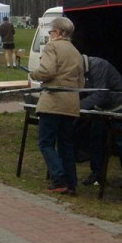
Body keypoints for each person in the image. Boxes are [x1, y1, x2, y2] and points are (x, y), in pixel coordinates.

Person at [29, 16, 85, 194]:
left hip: (53, 102)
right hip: (71, 103)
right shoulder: (76, 52)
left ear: (59, 32)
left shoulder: (52, 46)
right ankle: (71, 183)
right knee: (66, 144)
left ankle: (59, 178)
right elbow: (81, 82)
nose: (50, 34)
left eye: (51, 31)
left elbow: (47, 71)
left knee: (46, 143)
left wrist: (34, 74)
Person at [78, 55, 122, 189]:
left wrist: (77, 106)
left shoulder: (99, 65)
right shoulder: (78, 69)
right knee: (95, 138)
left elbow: (100, 93)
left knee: (121, 140)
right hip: (101, 106)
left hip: (118, 103)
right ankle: (97, 174)